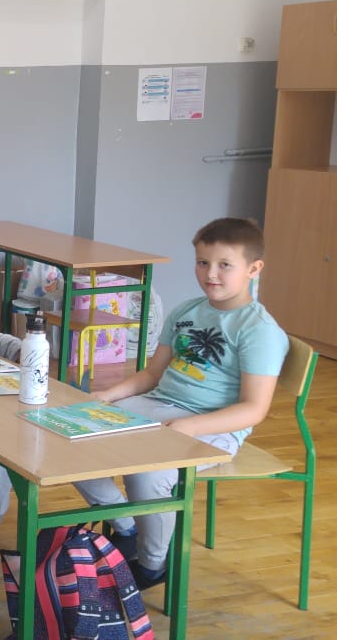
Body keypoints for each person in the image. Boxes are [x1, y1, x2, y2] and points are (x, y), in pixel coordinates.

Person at [72, 217, 288, 589]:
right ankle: (125, 526)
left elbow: (254, 409)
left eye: (224, 265)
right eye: (203, 262)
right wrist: (107, 396)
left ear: (254, 269)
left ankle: (153, 566)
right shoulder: (186, 311)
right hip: (158, 405)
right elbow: (152, 374)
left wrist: (187, 427)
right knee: (74, 436)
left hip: (215, 425)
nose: (211, 274)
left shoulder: (259, 330)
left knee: (150, 471)